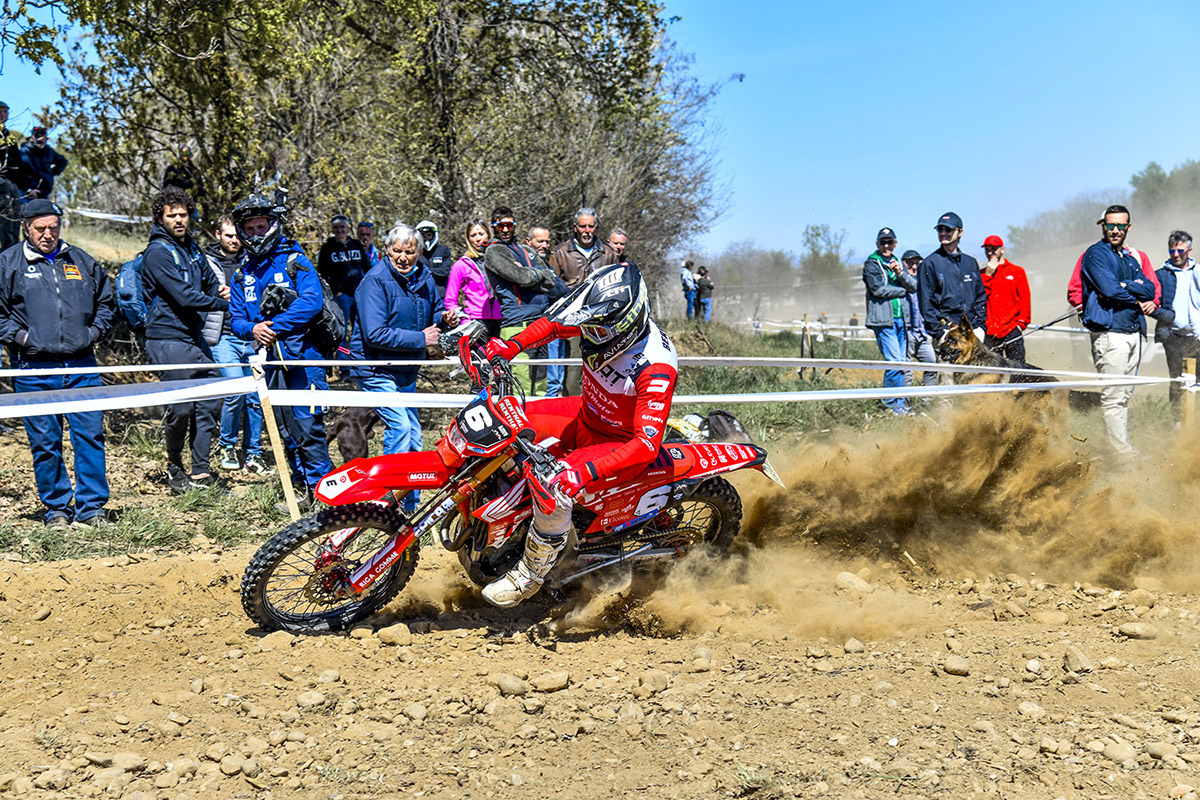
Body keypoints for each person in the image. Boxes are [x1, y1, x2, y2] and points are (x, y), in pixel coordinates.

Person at [480, 262, 677, 607]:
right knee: (502, 417)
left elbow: (646, 444)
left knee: (554, 485)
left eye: (597, 332)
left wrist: (584, 472)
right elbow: (556, 324)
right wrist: (511, 347)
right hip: (585, 415)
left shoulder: (655, 367)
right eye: (589, 328)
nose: (589, 336)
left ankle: (529, 574)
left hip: (618, 444)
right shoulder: (603, 319)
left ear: (626, 326)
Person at [0, 199, 114, 527]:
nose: (48, 234)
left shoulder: (81, 260)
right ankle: (57, 510)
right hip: (33, 369)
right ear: (25, 228)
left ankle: (91, 509)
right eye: (40, 229)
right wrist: (23, 339)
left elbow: (106, 302)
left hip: (82, 366)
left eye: (53, 227)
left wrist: (93, 333)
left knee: (89, 437)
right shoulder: (7, 263)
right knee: (46, 442)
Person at [229, 192, 333, 508]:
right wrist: (253, 330)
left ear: (273, 225)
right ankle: (301, 490)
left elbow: (311, 303)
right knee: (285, 427)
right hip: (269, 362)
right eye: (250, 229)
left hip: (304, 358)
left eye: (261, 227)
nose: (256, 233)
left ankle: (324, 494)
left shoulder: (295, 261)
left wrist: (274, 326)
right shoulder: (242, 273)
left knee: (308, 426)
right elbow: (236, 319)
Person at [352, 224, 457, 512]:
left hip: (407, 367)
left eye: (409, 252)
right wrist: (421, 339)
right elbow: (374, 333)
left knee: (413, 435)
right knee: (399, 427)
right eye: (397, 251)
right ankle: (385, 502)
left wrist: (444, 319)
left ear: (419, 252)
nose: (403, 257)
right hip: (376, 368)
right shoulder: (374, 281)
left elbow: (433, 309)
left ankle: (410, 504)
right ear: (387, 250)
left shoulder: (424, 276)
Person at [141, 186, 230, 493]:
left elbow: (210, 282)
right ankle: (174, 465)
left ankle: (201, 471)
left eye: (183, 214)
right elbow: (184, 296)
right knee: (180, 408)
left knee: (211, 399)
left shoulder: (192, 248)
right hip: (166, 337)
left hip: (194, 337)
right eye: (172, 216)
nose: (179, 220)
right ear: (160, 218)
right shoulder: (157, 253)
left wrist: (217, 293)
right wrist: (223, 303)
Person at [1079, 204, 1157, 455]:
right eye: (1110, 225)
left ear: (1128, 227)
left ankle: (1119, 445)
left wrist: (1126, 285)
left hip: (1133, 332)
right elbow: (1109, 289)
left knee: (1124, 396)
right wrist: (1133, 291)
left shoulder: (1130, 258)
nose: (1115, 230)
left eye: (1120, 225)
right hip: (1110, 333)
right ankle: (1121, 452)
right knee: (1113, 396)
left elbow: (1150, 289)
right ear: (1103, 226)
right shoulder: (1096, 254)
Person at [207, 215, 269, 474]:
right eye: (228, 235)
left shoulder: (252, 260)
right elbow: (192, 292)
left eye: (237, 235)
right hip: (222, 336)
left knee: (256, 396)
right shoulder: (206, 261)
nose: (234, 240)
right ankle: (227, 446)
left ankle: (254, 453)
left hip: (251, 337)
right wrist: (216, 294)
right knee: (235, 391)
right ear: (218, 235)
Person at [483, 206, 561, 395]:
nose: (505, 229)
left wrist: (531, 273)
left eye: (509, 225)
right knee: (522, 389)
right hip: (517, 325)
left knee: (541, 387)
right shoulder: (494, 251)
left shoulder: (526, 250)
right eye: (501, 225)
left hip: (541, 324)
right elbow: (521, 277)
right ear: (494, 227)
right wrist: (536, 274)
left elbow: (552, 279)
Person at [862, 227, 916, 414]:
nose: (887, 246)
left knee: (901, 363)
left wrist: (900, 274)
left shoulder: (897, 263)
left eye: (890, 242)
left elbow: (914, 285)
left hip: (901, 319)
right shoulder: (872, 264)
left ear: (895, 243)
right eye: (883, 242)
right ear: (877, 244)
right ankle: (892, 405)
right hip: (883, 320)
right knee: (894, 362)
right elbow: (877, 289)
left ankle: (899, 404)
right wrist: (903, 291)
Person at [917, 211, 986, 349]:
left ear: (960, 232)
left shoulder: (970, 263)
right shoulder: (929, 263)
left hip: (972, 333)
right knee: (947, 365)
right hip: (947, 334)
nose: (943, 233)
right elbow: (926, 302)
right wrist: (939, 332)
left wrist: (981, 327)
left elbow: (980, 297)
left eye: (948, 229)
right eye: (940, 229)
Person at [1151, 230, 1198, 418]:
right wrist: (1167, 316)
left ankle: (1195, 420)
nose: (1176, 255)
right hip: (1173, 336)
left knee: (1197, 381)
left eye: (1180, 251)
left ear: (1189, 250)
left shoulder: (1198, 272)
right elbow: (1150, 304)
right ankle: (1178, 421)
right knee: (1177, 379)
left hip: (1197, 335)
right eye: (1172, 251)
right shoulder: (1160, 275)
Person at [444, 219, 501, 337]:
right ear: (468, 239)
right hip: (476, 322)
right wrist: (463, 320)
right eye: (473, 235)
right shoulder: (461, 265)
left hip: (501, 320)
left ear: (488, 235)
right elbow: (450, 300)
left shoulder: (499, 261)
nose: (478, 239)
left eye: (481, 234)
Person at [979, 235, 1031, 363]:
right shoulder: (981, 274)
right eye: (987, 249)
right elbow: (979, 298)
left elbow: (1025, 299)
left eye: (993, 249)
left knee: (1018, 368)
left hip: (1012, 330)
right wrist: (988, 275)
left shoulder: (1016, 271)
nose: (990, 253)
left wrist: (1021, 324)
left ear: (1002, 249)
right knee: (992, 370)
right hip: (989, 332)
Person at [317, 214, 368, 340]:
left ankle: (357, 352)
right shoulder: (327, 248)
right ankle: (342, 352)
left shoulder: (357, 245)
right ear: (332, 229)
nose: (339, 230)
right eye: (336, 227)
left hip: (359, 294)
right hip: (341, 296)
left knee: (360, 329)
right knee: (341, 330)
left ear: (348, 228)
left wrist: (367, 288)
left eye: (342, 227)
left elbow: (367, 267)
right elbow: (322, 274)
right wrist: (335, 292)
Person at [901, 249, 937, 386]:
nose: (914, 266)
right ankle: (904, 399)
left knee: (932, 364)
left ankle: (927, 398)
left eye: (917, 263)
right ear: (903, 263)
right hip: (907, 331)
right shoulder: (899, 282)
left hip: (922, 332)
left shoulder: (924, 283)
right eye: (910, 263)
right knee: (907, 369)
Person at [0, 101, 27, 251]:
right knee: (4, 220)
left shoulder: (9, 136)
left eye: (5, 112)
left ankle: (12, 253)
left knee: (14, 219)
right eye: (0, 111)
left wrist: (22, 184)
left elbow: (17, 162)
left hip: (12, 183)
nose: (3, 115)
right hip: (1, 183)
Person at [18, 126, 67, 200]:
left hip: (43, 194)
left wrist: (52, 172)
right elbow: (17, 174)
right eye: (37, 136)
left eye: (42, 137)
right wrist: (28, 189)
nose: (40, 139)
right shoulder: (23, 152)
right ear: (31, 138)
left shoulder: (49, 152)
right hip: (27, 194)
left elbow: (62, 161)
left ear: (46, 139)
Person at [416, 219, 453, 299]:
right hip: (422, 295)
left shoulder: (443, 250)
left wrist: (425, 270)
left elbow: (445, 271)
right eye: (423, 236)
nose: (426, 238)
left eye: (429, 235)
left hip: (441, 295)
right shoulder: (416, 253)